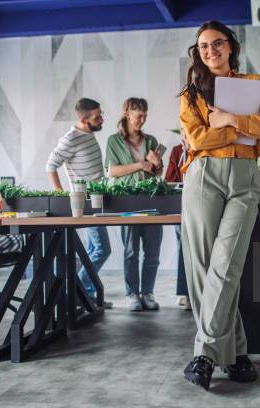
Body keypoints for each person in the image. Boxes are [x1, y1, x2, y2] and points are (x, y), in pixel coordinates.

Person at [179, 21, 260, 390]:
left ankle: (205, 354)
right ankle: (236, 355)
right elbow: (196, 138)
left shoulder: (255, 85)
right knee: (203, 269)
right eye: (203, 46)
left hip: (244, 177)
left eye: (217, 43)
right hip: (203, 176)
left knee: (227, 265)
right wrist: (242, 129)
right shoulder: (190, 94)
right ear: (199, 51)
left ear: (230, 47)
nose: (211, 51)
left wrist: (230, 119)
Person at [46, 98, 112, 309]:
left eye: (100, 114)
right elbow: (50, 165)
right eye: (97, 116)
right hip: (85, 203)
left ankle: (86, 296)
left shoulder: (88, 133)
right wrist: (60, 194)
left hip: (97, 200)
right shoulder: (71, 139)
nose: (102, 119)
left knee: (93, 250)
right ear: (84, 119)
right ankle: (76, 293)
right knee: (102, 250)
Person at [105, 97, 164, 312]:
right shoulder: (114, 141)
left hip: (151, 199)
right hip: (128, 201)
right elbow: (112, 171)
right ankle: (132, 294)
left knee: (153, 252)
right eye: (139, 116)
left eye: (145, 115)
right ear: (128, 113)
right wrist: (140, 164)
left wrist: (157, 165)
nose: (142, 120)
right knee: (131, 252)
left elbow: (157, 172)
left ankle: (147, 293)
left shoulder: (150, 140)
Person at [164, 128, 190, 311]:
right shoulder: (177, 151)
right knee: (184, 248)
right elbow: (169, 180)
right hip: (182, 207)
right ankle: (186, 293)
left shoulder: (206, 148)